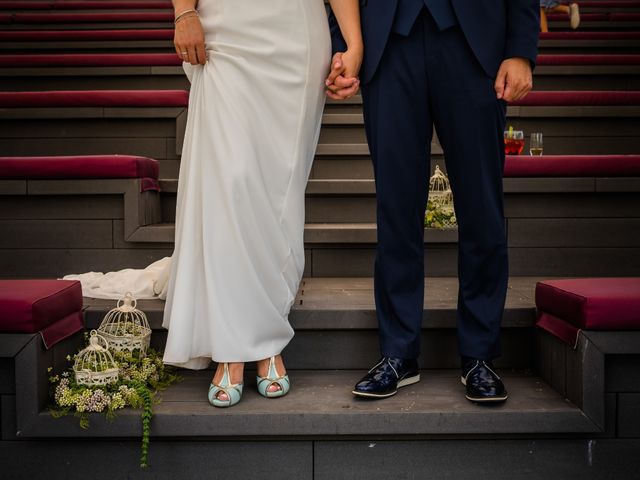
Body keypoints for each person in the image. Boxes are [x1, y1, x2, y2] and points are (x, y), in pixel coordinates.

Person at [326, 0, 539, 403]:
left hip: (474, 45)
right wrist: (342, 45)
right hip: (386, 44)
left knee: (482, 208)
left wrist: (520, 49)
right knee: (395, 209)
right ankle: (398, 353)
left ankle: (480, 354)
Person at [162, 0, 362, 407]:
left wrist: (354, 44)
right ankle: (235, 346)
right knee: (230, 182)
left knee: (279, 193)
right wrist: (184, 12)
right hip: (226, 30)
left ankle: (266, 331)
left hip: (296, 36)